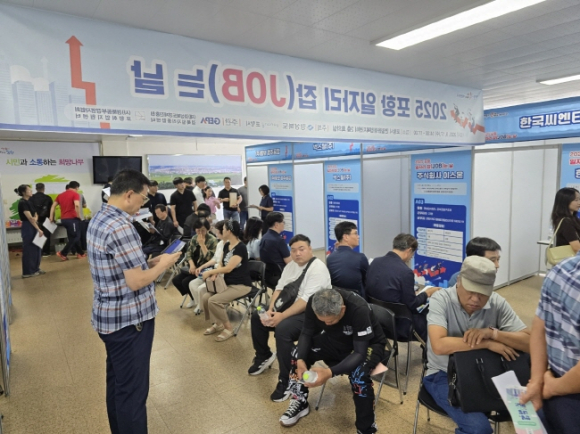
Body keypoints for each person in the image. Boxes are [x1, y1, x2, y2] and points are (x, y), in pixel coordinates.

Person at [87, 169, 180, 434]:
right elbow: (137, 281)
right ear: (129, 194)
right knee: (133, 394)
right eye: (143, 198)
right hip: (130, 322)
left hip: (110, 317)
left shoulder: (100, 218)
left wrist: (152, 262)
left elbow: (125, 268)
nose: (144, 204)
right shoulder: (121, 226)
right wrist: (165, 264)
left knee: (119, 385)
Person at [425, 256, 530, 434]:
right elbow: (439, 345)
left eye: (482, 293)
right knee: (478, 429)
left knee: (538, 414)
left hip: (488, 372)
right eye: (470, 291)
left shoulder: (496, 302)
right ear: (459, 281)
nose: (475, 299)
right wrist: (487, 344)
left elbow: (530, 343)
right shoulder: (441, 300)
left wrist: (494, 334)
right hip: (444, 374)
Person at [279, 288, 386, 433]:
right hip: (337, 339)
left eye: (330, 320)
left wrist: (329, 372)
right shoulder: (314, 301)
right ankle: (299, 400)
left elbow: (359, 353)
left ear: (342, 309)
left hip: (367, 345)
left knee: (359, 376)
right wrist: (301, 360)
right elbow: (306, 332)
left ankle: (366, 428)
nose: (327, 324)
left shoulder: (358, 309)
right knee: (297, 353)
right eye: (322, 321)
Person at [249, 234, 331, 402]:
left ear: (310, 249)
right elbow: (279, 289)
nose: (297, 253)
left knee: (283, 329)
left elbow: (306, 301)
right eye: (293, 250)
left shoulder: (318, 269)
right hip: (289, 308)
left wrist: (282, 316)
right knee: (258, 316)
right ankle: (263, 355)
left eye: (301, 249)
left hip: (313, 315)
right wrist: (271, 310)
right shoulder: (291, 266)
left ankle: (287, 379)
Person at [520, 250, 580, 433]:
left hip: (551, 385)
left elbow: (539, 326)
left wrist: (537, 382)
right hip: (560, 388)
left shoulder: (561, 270)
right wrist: (552, 387)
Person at [366, 234, 439, 342]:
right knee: (433, 320)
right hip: (400, 325)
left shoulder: (375, 262)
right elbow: (412, 304)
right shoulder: (405, 272)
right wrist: (427, 293)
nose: (410, 258)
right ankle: (428, 352)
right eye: (412, 255)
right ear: (409, 250)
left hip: (377, 320)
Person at [201, 220, 252, 342]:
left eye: (223, 229)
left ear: (229, 231)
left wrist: (210, 272)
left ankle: (228, 328)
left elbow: (228, 268)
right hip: (227, 283)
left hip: (241, 285)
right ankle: (218, 323)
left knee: (214, 300)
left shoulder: (240, 248)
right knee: (206, 297)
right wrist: (216, 273)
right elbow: (221, 263)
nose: (221, 231)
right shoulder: (226, 245)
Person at [172, 218, 217, 307]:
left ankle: (198, 301)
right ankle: (193, 297)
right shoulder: (194, 238)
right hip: (194, 265)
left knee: (186, 282)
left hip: (205, 268)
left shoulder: (212, 240)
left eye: (202, 230)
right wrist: (192, 265)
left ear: (208, 229)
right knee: (176, 280)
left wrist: (202, 245)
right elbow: (188, 253)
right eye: (198, 230)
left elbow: (211, 259)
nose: (200, 233)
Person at [188, 220, 226, 313]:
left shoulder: (216, 241)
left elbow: (221, 264)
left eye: (217, 231)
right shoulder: (220, 243)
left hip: (221, 273)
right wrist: (201, 267)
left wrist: (212, 273)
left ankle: (205, 307)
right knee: (191, 283)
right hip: (211, 269)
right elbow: (214, 259)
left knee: (200, 288)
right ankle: (200, 305)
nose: (216, 233)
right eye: (198, 230)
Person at [326, 221, 369, 297]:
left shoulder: (330, 258)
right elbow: (368, 279)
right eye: (355, 233)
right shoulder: (360, 258)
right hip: (358, 300)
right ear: (346, 237)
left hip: (338, 299)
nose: (358, 236)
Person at [50, 180, 85, 260]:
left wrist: (51, 217)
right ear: (76, 187)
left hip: (64, 220)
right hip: (72, 219)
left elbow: (53, 206)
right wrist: (78, 216)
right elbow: (77, 205)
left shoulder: (60, 195)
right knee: (76, 237)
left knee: (73, 237)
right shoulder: (75, 194)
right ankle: (63, 253)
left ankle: (80, 253)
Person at [15, 184, 44, 278]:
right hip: (28, 227)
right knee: (29, 249)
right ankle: (28, 272)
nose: (31, 191)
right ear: (24, 192)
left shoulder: (30, 201)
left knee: (37, 248)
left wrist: (35, 218)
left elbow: (35, 214)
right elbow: (30, 218)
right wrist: (38, 229)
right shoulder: (22, 202)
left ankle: (36, 268)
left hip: (34, 225)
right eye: (29, 190)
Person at [259, 212, 292, 288]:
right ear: (276, 225)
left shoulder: (264, 237)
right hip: (281, 275)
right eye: (283, 222)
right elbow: (289, 262)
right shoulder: (279, 240)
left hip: (266, 275)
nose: (284, 224)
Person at [549, 187, 580, 252]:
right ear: (565, 201)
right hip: (570, 257)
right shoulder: (565, 221)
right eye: (576, 200)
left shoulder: (574, 218)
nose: (579, 203)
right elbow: (576, 247)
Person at [30, 182, 53, 257]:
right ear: (44, 189)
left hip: (35, 220)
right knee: (46, 236)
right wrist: (52, 218)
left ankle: (37, 251)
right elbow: (51, 209)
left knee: (36, 235)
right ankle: (46, 252)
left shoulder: (31, 198)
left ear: (36, 189)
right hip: (46, 219)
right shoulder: (48, 198)